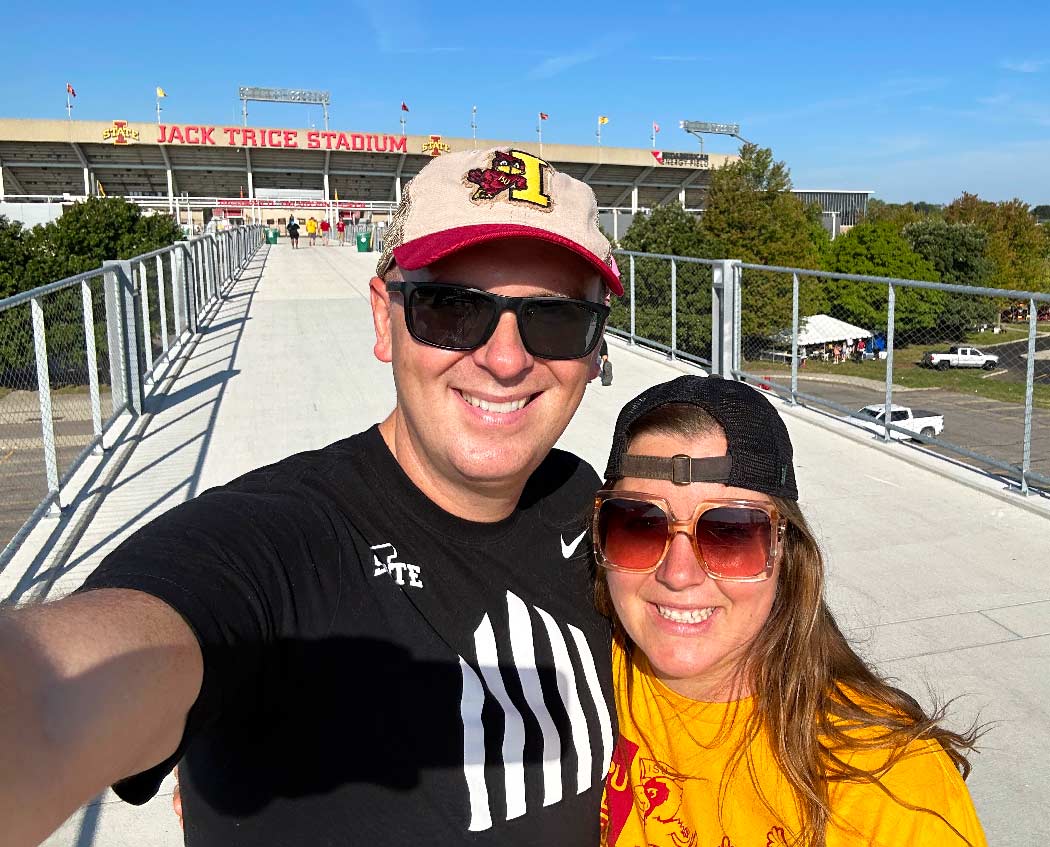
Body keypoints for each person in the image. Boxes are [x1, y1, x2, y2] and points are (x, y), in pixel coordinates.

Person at [0, 147, 623, 847]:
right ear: (385, 318)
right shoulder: (273, 541)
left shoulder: (595, 508)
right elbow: (62, 691)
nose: (506, 359)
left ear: (596, 350)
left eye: (558, 319)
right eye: (452, 308)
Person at [593, 375, 986, 847]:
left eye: (730, 532)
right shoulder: (556, 677)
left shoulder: (895, 784)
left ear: (785, 552)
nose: (679, 574)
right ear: (600, 536)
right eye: (639, 525)